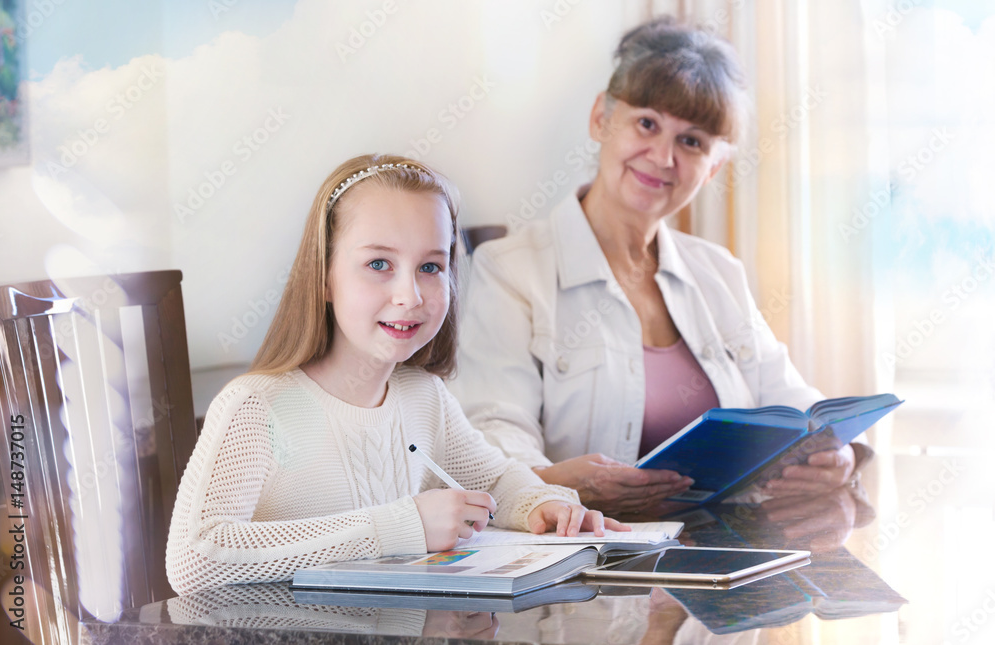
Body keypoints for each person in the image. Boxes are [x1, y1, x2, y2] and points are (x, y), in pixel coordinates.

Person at [449, 17, 872, 517]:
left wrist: (837, 453)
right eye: (647, 123)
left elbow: (794, 404)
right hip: (587, 564)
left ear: (713, 166)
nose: (663, 157)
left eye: (691, 141)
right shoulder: (511, 270)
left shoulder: (719, 271)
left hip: (717, 558)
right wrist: (557, 485)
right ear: (601, 120)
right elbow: (494, 438)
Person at [166, 154, 625, 595]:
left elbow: (495, 480)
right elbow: (195, 557)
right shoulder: (259, 406)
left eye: (430, 267)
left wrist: (542, 505)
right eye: (379, 264)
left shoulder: (423, 397)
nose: (410, 295)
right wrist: (402, 527)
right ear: (324, 276)